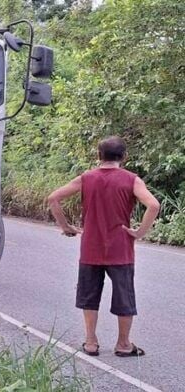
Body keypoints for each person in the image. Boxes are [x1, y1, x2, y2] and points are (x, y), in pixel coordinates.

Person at [47, 136, 160, 358]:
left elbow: (53, 198)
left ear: (99, 156)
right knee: (124, 297)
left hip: (91, 248)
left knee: (89, 296)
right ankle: (124, 344)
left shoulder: (86, 178)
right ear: (124, 157)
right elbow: (154, 205)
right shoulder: (132, 180)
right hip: (121, 250)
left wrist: (66, 226)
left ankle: (91, 342)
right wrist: (139, 232)